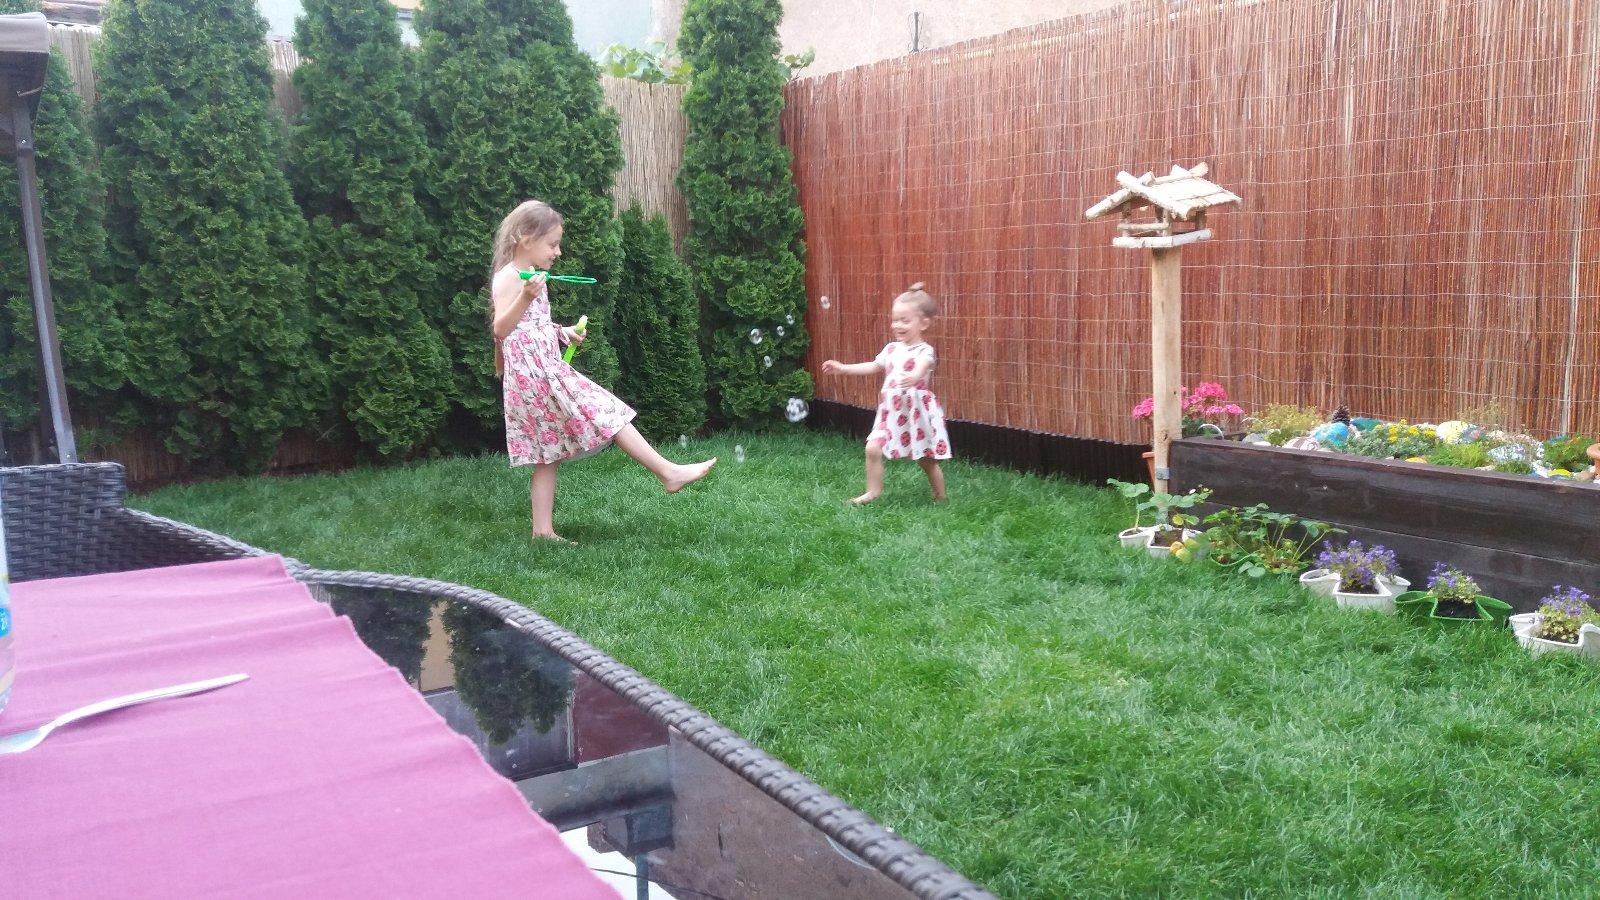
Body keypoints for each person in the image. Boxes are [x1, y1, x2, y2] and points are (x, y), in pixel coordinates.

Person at [491, 200, 715, 543]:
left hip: (545, 373)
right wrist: (524, 296)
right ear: (525, 238)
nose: (558, 251)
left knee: (547, 455)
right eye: (552, 244)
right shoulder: (509, 278)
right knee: (609, 412)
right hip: (536, 380)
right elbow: (501, 329)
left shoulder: (533, 277)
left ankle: (543, 531)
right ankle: (668, 473)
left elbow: (530, 326)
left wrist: (562, 332)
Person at [821, 282, 951, 504]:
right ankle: (873, 491)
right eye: (895, 320)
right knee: (872, 448)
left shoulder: (925, 351)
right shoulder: (891, 349)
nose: (898, 325)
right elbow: (873, 366)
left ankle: (940, 496)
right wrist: (843, 368)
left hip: (915, 414)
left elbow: (923, 365)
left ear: (924, 323)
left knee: (926, 460)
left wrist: (915, 376)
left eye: (905, 320)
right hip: (891, 413)